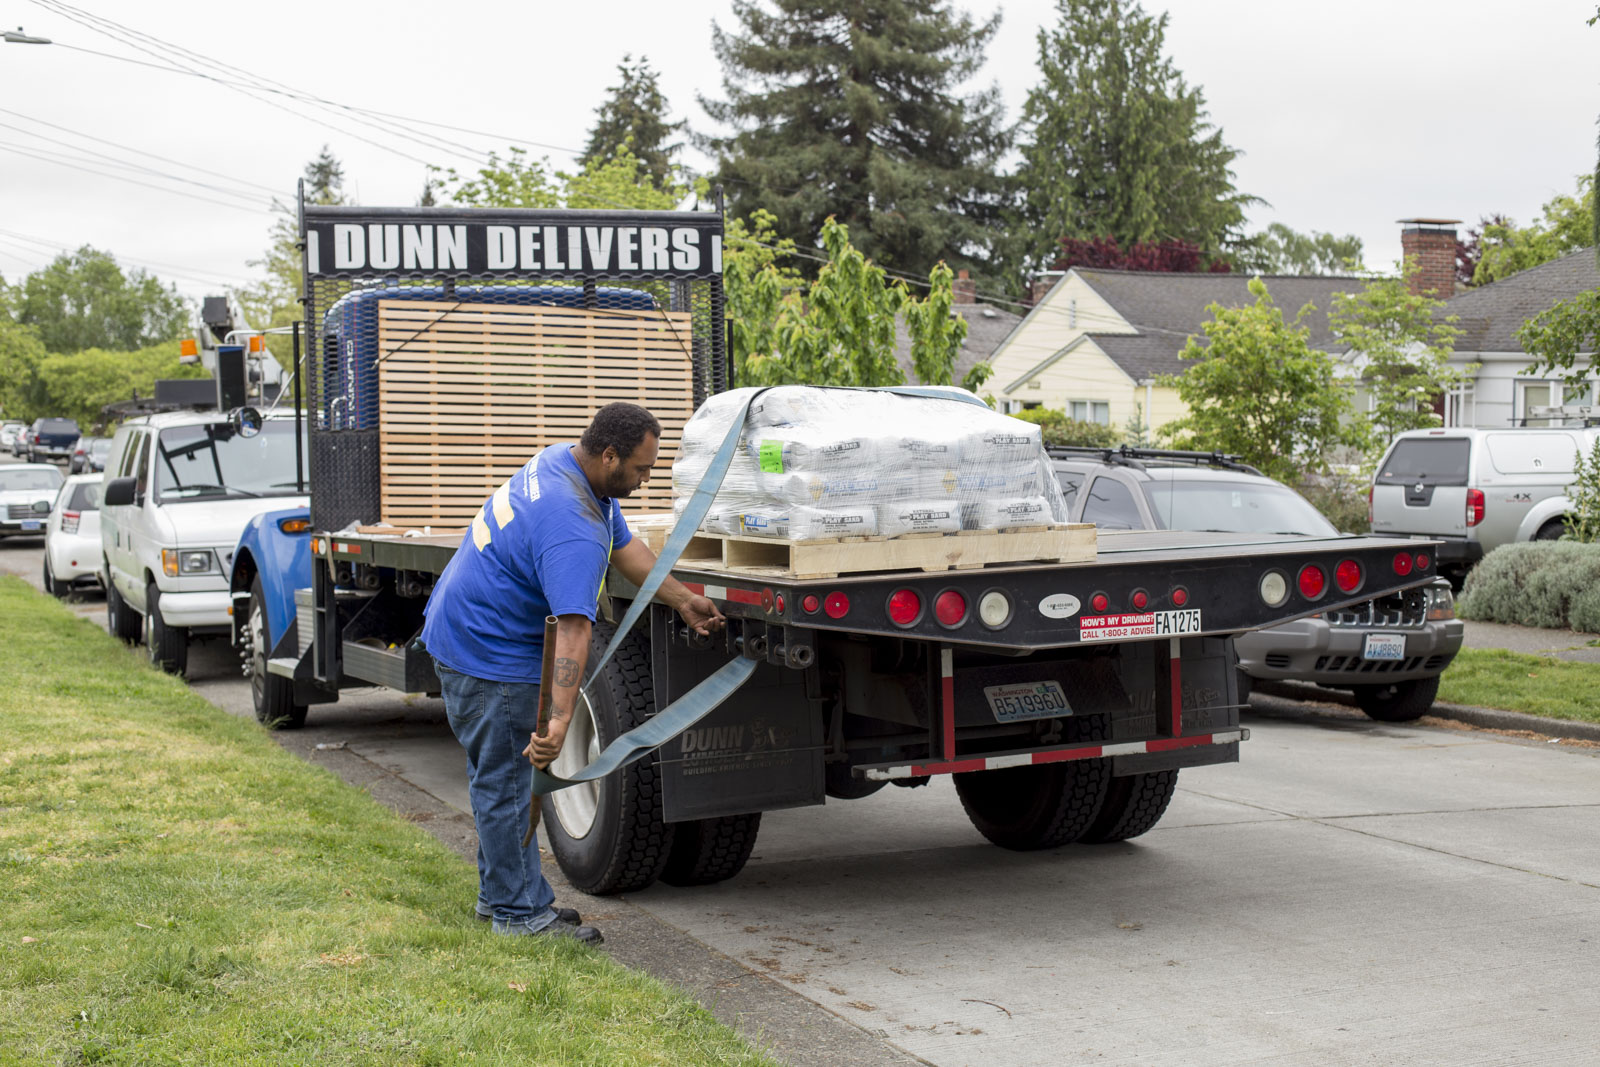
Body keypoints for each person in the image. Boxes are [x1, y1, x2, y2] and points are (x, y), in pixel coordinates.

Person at [420, 402, 726, 942]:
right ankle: (518, 917)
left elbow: (626, 548)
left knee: (505, 782)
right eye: (640, 469)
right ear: (609, 456)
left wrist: (682, 600)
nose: (645, 478)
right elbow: (574, 628)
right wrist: (561, 719)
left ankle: (506, 899)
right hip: (486, 657)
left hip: (466, 631)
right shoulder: (573, 527)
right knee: (508, 785)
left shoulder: (567, 466)